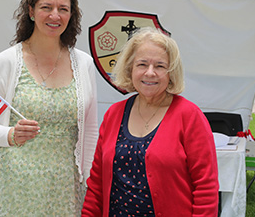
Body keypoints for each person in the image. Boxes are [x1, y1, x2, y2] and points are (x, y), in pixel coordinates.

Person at [0, 0, 98, 216]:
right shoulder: (6, 61)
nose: (55, 15)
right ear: (31, 11)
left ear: (72, 14)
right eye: (46, 7)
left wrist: (88, 180)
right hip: (8, 188)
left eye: (63, 9)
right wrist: (10, 134)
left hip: (63, 190)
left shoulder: (84, 64)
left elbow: (90, 131)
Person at [82, 27, 219, 216]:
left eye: (160, 66)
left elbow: (206, 188)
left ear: (171, 73)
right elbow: (97, 184)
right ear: (130, 69)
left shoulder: (190, 117)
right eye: (142, 64)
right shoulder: (114, 114)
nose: (150, 73)